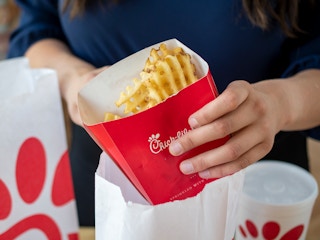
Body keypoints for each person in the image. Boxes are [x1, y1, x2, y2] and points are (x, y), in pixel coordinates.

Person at [7, 0, 320, 226]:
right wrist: (74, 77)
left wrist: (283, 102)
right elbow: (36, 29)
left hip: (257, 180)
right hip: (106, 183)